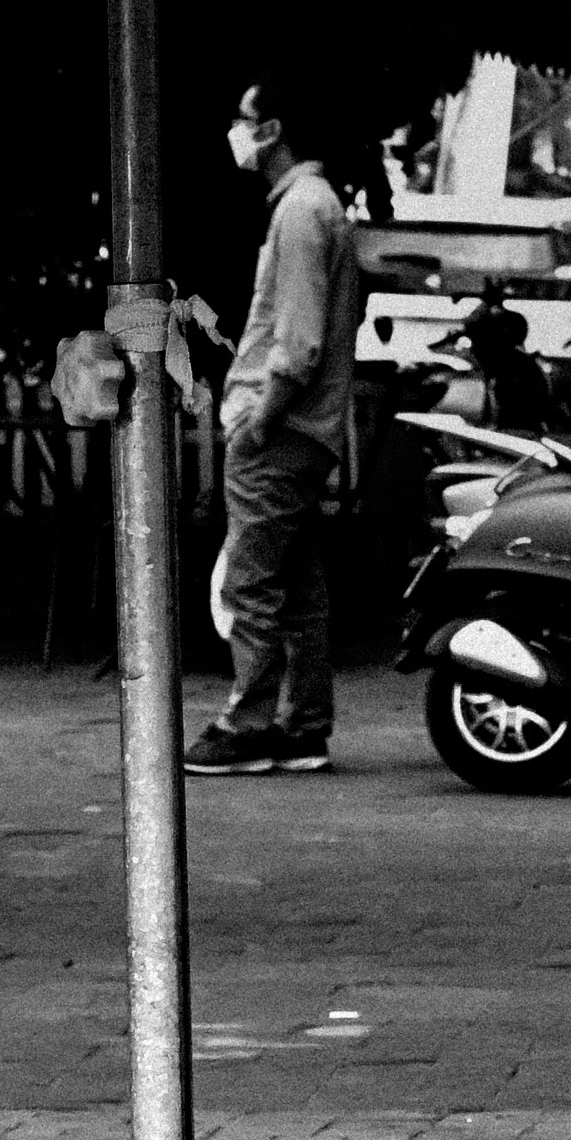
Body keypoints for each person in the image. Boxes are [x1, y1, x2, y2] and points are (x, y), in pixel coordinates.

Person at [187, 75, 369, 777]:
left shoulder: (300, 211)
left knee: (252, 583)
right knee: (297, 584)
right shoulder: (319, 207)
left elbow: (295, 343)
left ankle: (251, 720)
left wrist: (259, 421)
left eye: (246, 118)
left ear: (274, 131)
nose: (236, 130)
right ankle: (303, 724)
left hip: (282, 424)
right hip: (309, 428)